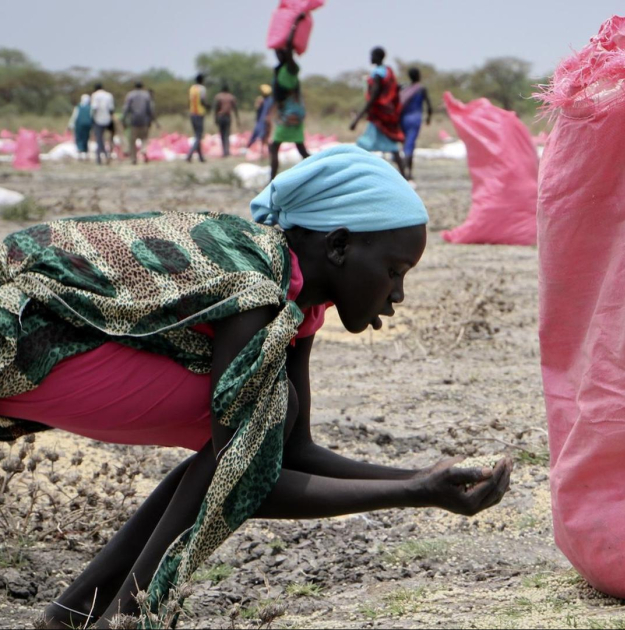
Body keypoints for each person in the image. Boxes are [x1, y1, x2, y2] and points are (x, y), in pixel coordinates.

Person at [0, 145, 513, 628]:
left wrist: (422, 476)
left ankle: (71, 617)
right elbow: (245, 477)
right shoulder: (255, 287)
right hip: (18, 333)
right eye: (393, 271)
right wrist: (413, 492)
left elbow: (293, 452)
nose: (398, 293)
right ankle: (125, 619)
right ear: (337, 245)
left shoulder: (297, 304)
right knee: (251, 431)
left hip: (49, 353)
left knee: (258, 426)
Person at [350, 47, 406, 178]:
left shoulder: (377, 74)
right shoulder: (388, 71)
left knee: (362, 146)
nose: (370, 58)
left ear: (378, 57)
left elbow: (374, 96)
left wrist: (357, 118)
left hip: (379, 116)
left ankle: (357, 175)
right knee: (392, 148)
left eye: (372, 55)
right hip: (387, 114)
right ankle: (405, 177)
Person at [270, 14, 311, 179]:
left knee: (275, 147)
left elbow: (288, 46)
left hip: (291, 113)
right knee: (300, 148)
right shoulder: (280, 69)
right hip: (288, 111)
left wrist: (294, 24)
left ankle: (271, 181)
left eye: (281, 52)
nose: (278, 54)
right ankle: (318, 172)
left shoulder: (292, 68)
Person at [399, 67, 433, 182]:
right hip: (415, 119)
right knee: (410, 146)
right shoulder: (421, 89)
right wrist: (428, 118)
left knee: (407, 145)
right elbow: (429, 106)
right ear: (418, 75)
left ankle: (409, 172)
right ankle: (404, 172)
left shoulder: (405, 89)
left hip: (403, 119)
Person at [123, 81, 155, 165]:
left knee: (132, 141)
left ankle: (133, 159)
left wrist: (124, 119)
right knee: (144, 138)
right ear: (142, 86)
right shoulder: (146, 95)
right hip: (144, 120)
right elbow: (150, 109)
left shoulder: (130, 95)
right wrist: (151, 119)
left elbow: (126, 108)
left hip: (134, 120)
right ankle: (143, 149)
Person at [90, 83, 115, 165]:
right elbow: (111, 109)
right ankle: (106, 155)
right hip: (108, 120)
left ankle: (100, 158)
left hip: (98, 120)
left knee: (99, 139)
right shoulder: (109, 95)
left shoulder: (95, 95)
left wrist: (92, 119)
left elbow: (94, 108)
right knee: (108, 138)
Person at [186, 74, 209, 163]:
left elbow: (189, 101)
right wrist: (208, 106)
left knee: (197, 135)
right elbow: (202, 101)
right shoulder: (202, 89)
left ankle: (200, 157)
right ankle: (190, 155)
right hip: (199, 113)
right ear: (202, 80)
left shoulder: (192, 89)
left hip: (192, 113)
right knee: (199, 136)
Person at [214, 84, 241, 158]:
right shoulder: (231, 97)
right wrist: (237, 118)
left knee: (222, 135)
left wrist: (215, 118)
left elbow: (216, 108)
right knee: (227, 134)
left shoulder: (218, 97)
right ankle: (227, 151)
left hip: (220, 116)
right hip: (227, 117)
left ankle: (224, 151)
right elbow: (235, 109)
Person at [248, 84, 275, 157]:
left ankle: (264, 151)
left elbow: (260, 110)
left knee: (262, 136)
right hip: (265, 120)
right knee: (264, 136)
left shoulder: (266, 101)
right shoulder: (268, 100)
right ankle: (265, 151)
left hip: (263, 121)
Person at [67, 94, 93, 161]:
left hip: (79, 124)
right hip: (87, 124)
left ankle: (80, 151)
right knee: (86, 137)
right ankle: (85, 152)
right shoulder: (90, 107)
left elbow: (74, 116)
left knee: (79, 137)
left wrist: (70, 125)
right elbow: (92, 116)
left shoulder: (78, 107)